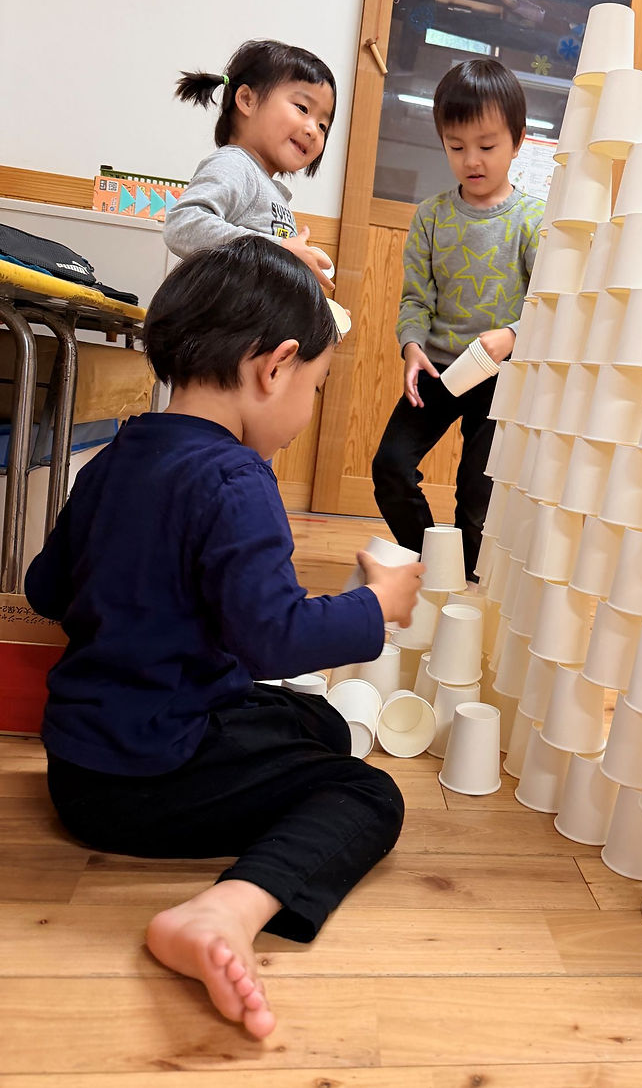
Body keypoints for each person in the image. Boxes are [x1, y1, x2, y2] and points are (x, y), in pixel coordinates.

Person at [24, 236, 424, 1039]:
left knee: (316, 724)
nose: (307, 407)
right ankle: (224, 913)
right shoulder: (239, 480)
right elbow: (273, 639)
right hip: (147, 783)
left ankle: (254, 814)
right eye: (316, 385)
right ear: (273, 368)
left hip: (77, 762)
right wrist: (376, 606)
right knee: (365, 792)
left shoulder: (115, 455)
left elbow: (45, 588)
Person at [372, 59, 544, 581]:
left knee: (477, 497)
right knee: (390, 469)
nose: (471, 159)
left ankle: (464, 590)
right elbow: (415, 299)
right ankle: (434, 568)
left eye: (487, 146)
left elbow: (552, 309)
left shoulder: (534, 221)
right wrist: (410, 346)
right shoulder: (430, 217)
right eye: (456, 145)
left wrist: (513, 336)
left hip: (500, 379)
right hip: (437, 372)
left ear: (517, 142)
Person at [165, 38, 337, 291]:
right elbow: (182, 225)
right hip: (215, 329)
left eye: (323, 125)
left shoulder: (269, 190)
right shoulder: (235, 165)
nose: (313, 130)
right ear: (247, 99)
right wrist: (277, 249)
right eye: (302, 107)